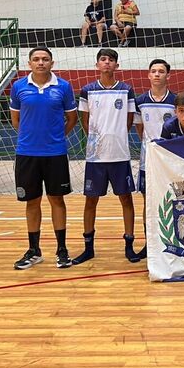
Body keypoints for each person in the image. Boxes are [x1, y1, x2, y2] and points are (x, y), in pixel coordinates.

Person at [10, 47, 78, 270]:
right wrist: (32, 139)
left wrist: (55, 138)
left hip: (55, 153)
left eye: (45, 59)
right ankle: (34, 250)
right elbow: (16, 120)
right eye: (36, 59)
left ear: (52, 63)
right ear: (29, 63)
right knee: (32, 201)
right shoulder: (19, 87)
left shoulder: (64, 87)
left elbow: (71, 118)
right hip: (27, 153)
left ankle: (62, 249)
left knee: (57, 200)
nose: (41, 63)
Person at [72, 49, 138, 265]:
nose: (107, 63)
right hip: (95, 156)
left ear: (116, 65)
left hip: (120, 154)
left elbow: (129, 121)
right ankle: (88, 247)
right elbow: (85, 120)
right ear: (97, 64)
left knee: (126, 199)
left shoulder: (127, 89)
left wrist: (116, 136)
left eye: (111, 60)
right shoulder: (87, 90)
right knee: (91, 201)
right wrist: (96, 140)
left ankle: (129, 245)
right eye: (103, 59)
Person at [133, 59, 176, 259]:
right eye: (154, 71)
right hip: (147, 160)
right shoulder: (140, 100)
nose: (157, 74)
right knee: (148, 202)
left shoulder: (176, 101)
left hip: (170, 161)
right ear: (148, 75)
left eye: (161, 71)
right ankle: (149, 243)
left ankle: (172, 240)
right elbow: (140, 129)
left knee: (173, 200)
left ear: (168, 75)